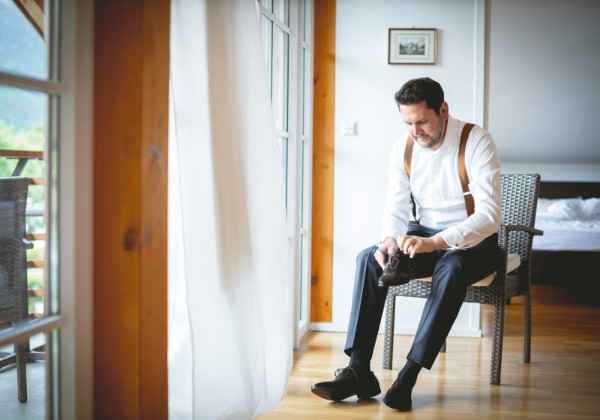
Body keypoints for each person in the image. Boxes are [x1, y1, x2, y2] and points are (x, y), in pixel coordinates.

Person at [310, 77, 502, 411]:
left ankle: (408, 376)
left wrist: (436, 242)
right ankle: (358, 370)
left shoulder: (476, 141)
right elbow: (395, 207)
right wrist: (388, 241)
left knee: (451, 266)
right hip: (422, 235)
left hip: (475, 243)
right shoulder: (404, 148)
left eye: (422, 121)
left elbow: (490, 216)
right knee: (370, 258)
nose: (415, 131)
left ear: (442, 111)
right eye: (408, 123)